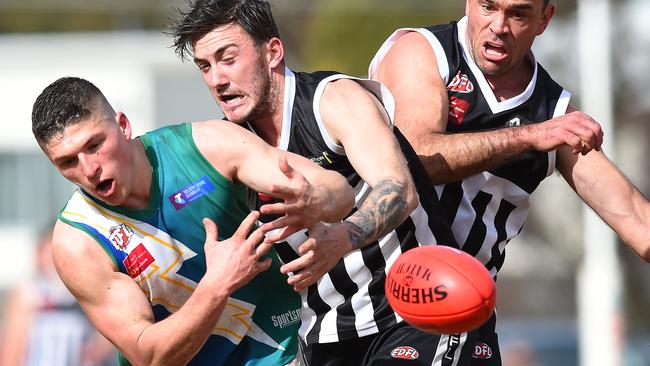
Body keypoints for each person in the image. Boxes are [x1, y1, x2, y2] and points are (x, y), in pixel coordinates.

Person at [170, 0, 458, 365]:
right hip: (326, 334)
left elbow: (399, 189)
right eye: (205, 67)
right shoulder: (230, 145)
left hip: (417, 311)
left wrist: (344, 236)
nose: (216, 79)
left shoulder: (333, 100)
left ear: (272, 51)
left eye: (228, 59)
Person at [370, 0, 650, 364]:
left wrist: (540, 131)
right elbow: (420, 158)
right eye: (488, 7)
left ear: (544, 20)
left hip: (445, 309)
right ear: (469, 3)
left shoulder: (553, 113)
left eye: (518, 14)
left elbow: (637, 220)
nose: (499, 26)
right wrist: (527, 137)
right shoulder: (424, 52)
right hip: (354, 298)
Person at [30, 76, 355, 366]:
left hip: (281, 354)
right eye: (68, 161)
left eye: (95, 145)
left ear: (123, 125)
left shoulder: (206, 146)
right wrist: (218, 284)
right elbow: (148, 355)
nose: (88, 170)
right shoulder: (77, 242)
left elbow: (336, 188)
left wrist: (317, 202)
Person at [0, 225, 116, 366]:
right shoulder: (29, 293)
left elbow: (107, 341)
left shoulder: (88, 291)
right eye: (48, 255)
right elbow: (13, 346)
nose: (53, 262)